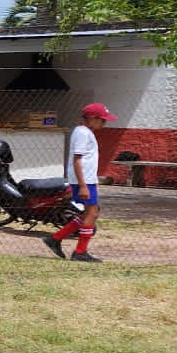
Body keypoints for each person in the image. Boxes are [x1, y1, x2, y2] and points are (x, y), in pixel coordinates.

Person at [46, 102, 115, 263]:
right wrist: (83, 185)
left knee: (90, 213)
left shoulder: (85, 132)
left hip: (87, 179)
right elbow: (78, 159)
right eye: (101, 120)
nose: (104, 123)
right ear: (91, 119)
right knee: (92, 213)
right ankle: (80, 252)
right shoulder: (83, 133)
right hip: (83, 180)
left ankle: (56, 238)